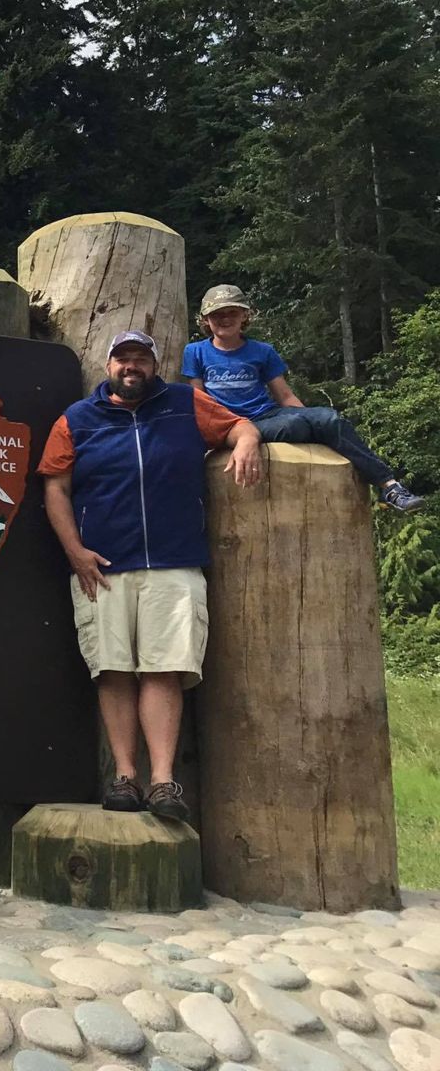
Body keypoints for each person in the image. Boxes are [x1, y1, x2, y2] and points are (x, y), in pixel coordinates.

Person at [38, 330, 262, 822]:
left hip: (174, 561)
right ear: (109, 364)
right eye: (123, 359)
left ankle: (162, 781)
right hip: (103, 566)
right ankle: (124, 776)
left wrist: (248, 442)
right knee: (113, 669)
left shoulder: (186, 403)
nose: (131, 367)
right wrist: (74, 552)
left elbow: (239, 425)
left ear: (154, 365)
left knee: (164, 669)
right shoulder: (77, 419)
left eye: (140, 359)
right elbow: (55, 487)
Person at [182, 284, 424, 513]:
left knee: (329, 418)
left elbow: (285, 396)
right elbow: (201, 401)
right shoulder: (196, 352)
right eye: (217, 314)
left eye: (232, 312)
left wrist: (314, 421)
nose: (225, 319)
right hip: (230, 424)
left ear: (244, 315)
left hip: (266, 415)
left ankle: (389, 486)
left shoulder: (262, 351)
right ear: (205, 319)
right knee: (293, 425)